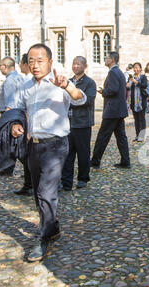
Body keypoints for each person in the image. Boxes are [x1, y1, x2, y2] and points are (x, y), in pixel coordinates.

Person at [11, 43, 87, 262]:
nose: (35, 65)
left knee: (46, 192)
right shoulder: (26, 86)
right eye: (31, 60)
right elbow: (19, 110)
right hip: (33, 145)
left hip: (56, 145)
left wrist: (67, 87)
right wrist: (17, 124)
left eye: (40, 60)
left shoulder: (59, 82)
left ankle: (43, 238)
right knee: (38, 193)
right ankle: (52, 228)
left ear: (50, 62)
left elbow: (80, 98)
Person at [60, 56, 97, 191]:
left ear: (85, 66)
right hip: (68, 123)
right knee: (67, 154)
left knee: (83, 153)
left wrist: (73, 99)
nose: (75, 66)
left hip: (82, 123)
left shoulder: (90, 83)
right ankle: (66, 182)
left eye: (78, 64)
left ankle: (82, 178)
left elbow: (88, 101)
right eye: (74, 63)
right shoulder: (68, 82)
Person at [91, 51, 131, 169]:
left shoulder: (113, 72)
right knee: (121, 136)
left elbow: (113, 90)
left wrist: (103, 91)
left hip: (112, 110)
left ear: (112, 60)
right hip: (119, 110)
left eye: (107, 57)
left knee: (103, 136)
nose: (105, 59)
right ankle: (125, 161)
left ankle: (95, 161)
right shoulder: (118, 72)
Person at [0, 57, 24, 176]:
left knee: (8, 142)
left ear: (5, 66)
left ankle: (7, 168)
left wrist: (6, 118)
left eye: (0, 66)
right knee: (13, 142)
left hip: (10, 113)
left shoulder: (10, 80)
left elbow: (10, 100)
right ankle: (8, 167)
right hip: (18, 112)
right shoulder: (20, 78)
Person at [14, 53, 33, 196]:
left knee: (25, 155)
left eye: (21, 62)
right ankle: (29, 183)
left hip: (27, 123)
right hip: (24, 122)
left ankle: (29, 184)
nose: (19, 65)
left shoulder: (28, 82)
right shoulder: (25, 81)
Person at [126, 62, 148, 142]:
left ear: (140, 69)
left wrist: (136, 82)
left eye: (137, 67)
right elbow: (129, 89)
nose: (135, 69)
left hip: (141, 102)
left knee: (142, 119)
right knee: (136, 120)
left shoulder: (143, 77)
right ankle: (137, 135)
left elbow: (144, 85)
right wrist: (127, 86)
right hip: (133, 102)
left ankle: (142, 136)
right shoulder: (130, 78)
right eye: (134, 67)